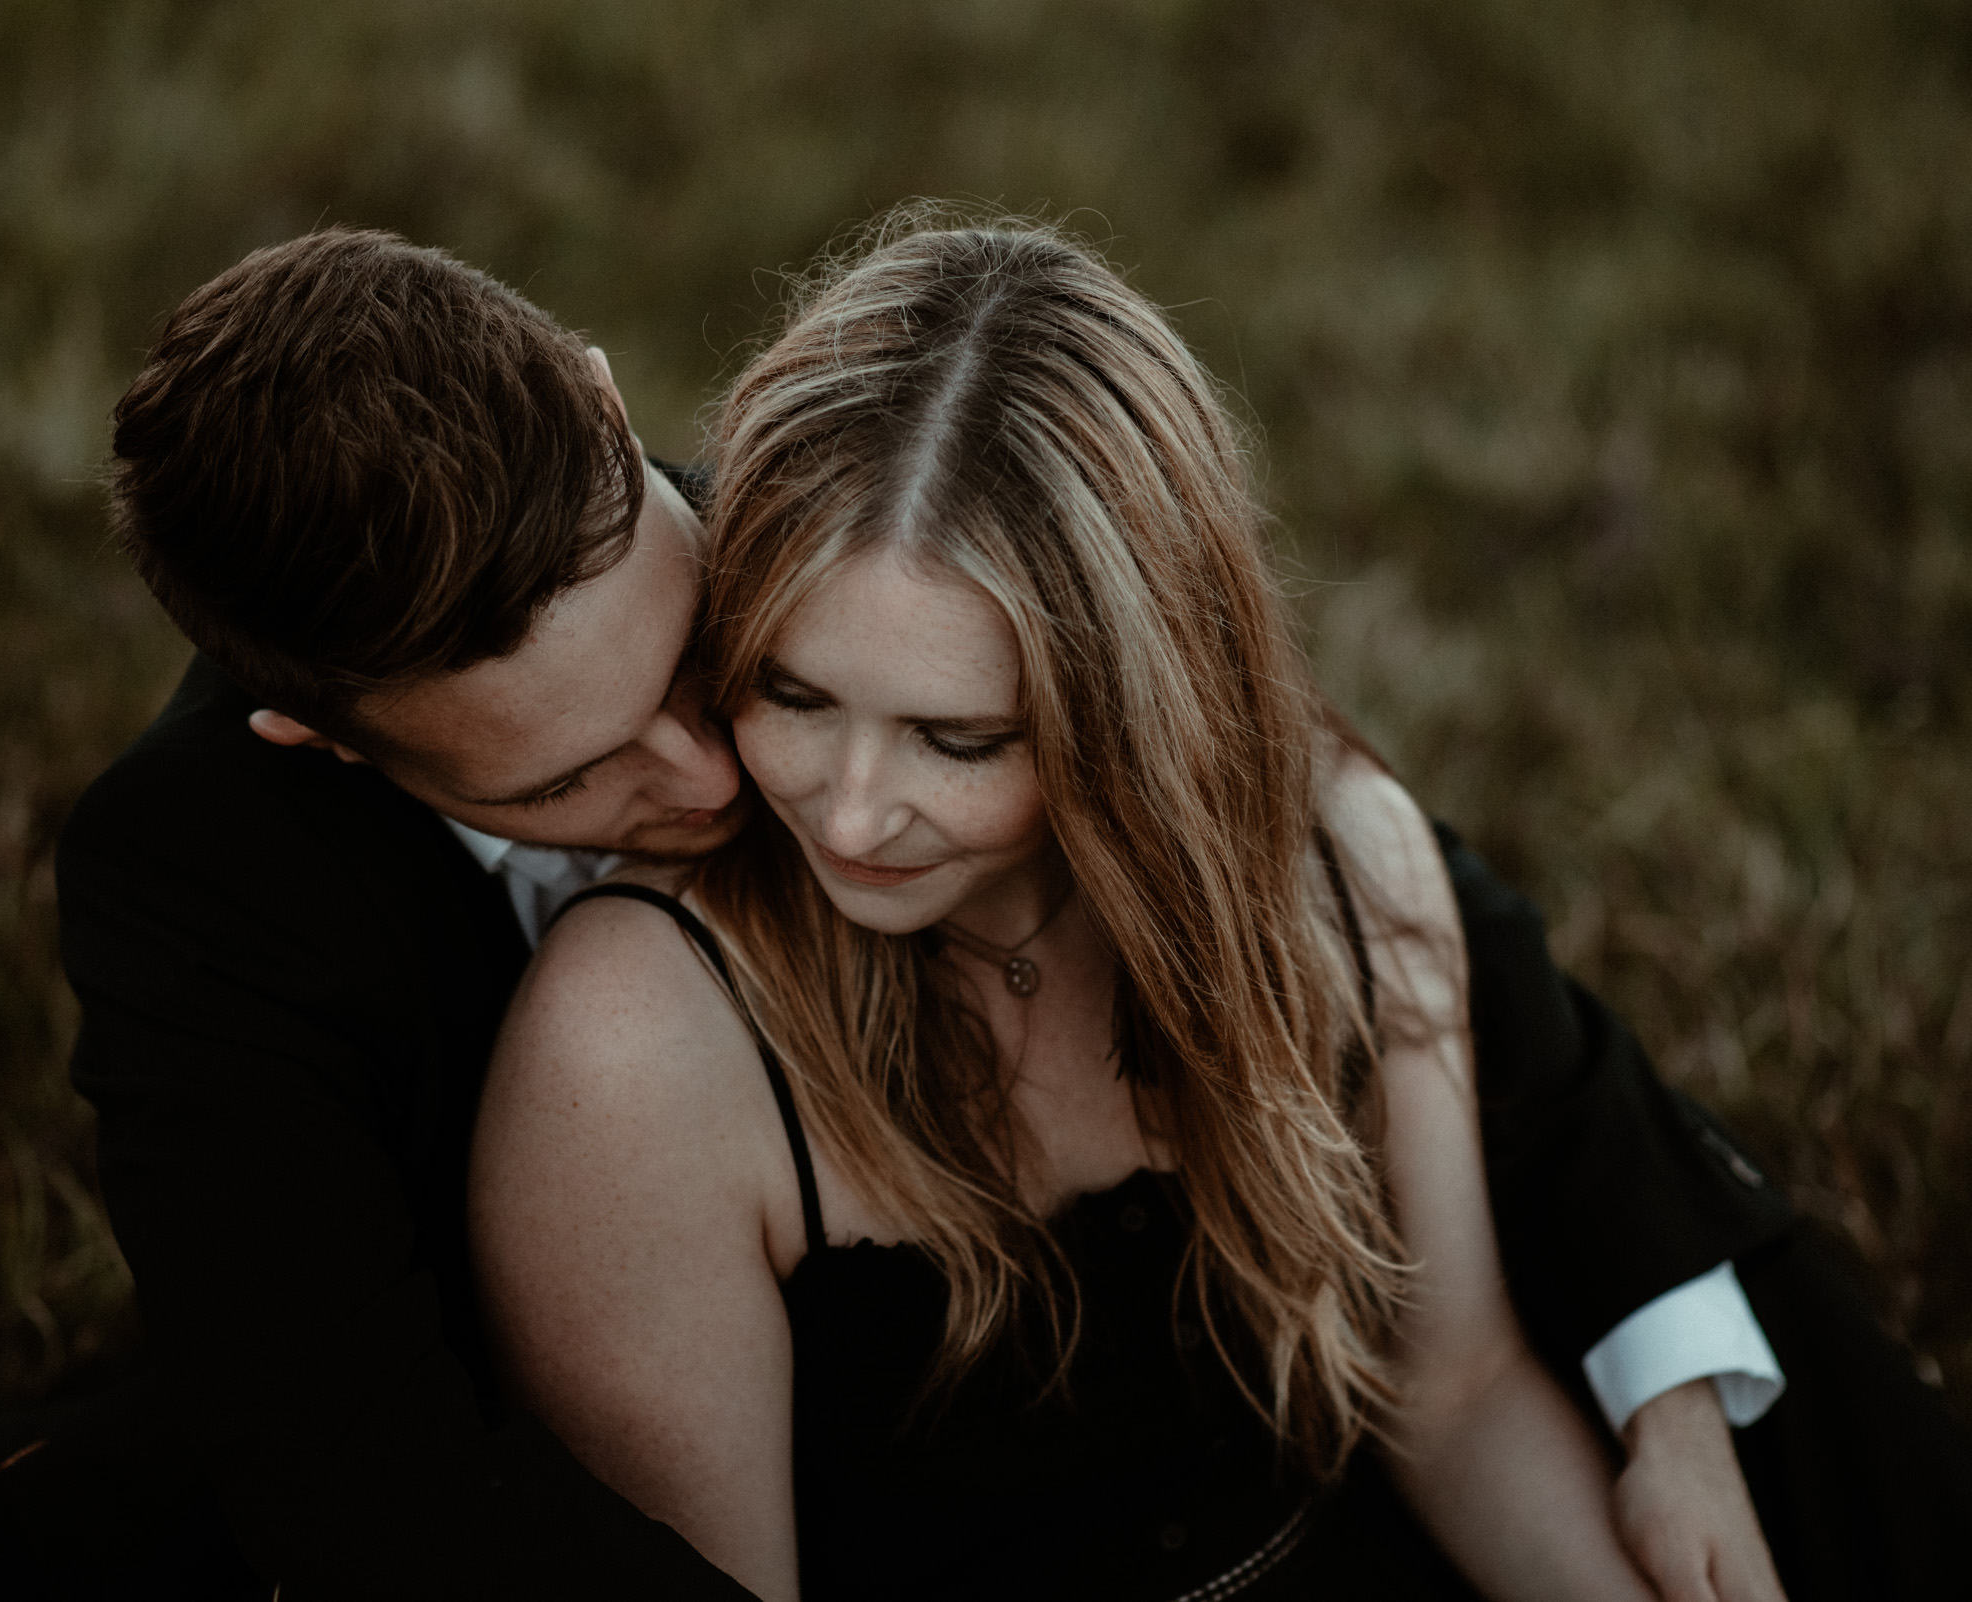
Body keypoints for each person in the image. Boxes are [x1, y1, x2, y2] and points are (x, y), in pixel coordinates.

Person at [0, 224, 1951, 1599]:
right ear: (330, 741)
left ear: (612, 414)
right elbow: (374, 1486)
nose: (755, 798)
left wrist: (1665, 1390)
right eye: (576, 780)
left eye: (710, 673)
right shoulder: (247, 900)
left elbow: (1367, 928)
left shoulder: (845, 534)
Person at [467, 219, 1972, 1599]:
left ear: (1134, 713)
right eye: (792, 695)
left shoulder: (1338, 868)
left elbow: (1449, 1400)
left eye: (959, 739)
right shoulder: (635, 1052)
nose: (848, 811)